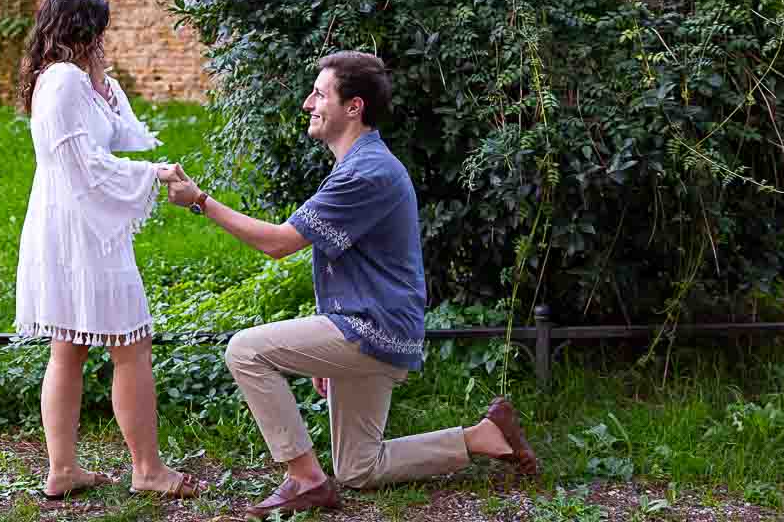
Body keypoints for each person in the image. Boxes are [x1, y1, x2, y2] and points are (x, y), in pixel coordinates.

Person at [167, 50, 537, 519]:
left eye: (320, 94)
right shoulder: (361, 165)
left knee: (245, 351)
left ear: (353, 106)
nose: (307, 103)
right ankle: (484, 437)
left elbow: (279, 243)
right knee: (359, 467)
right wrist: (330, 347)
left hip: (373, 327)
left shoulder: (366, 173)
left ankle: (304, 479)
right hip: (370, 326)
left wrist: (201, 200)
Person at [14, 0, 202, 500]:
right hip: (83, 227)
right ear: (82, 30)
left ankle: (63, 470)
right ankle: (147, 469)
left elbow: (121, 137)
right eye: (99, 29)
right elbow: (87, 166)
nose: (105, 38)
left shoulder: (72, 81)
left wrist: (103, 86)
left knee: (69, 348)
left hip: (71, 221)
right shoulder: (63, 83)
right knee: (130, 346)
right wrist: (156, 175)